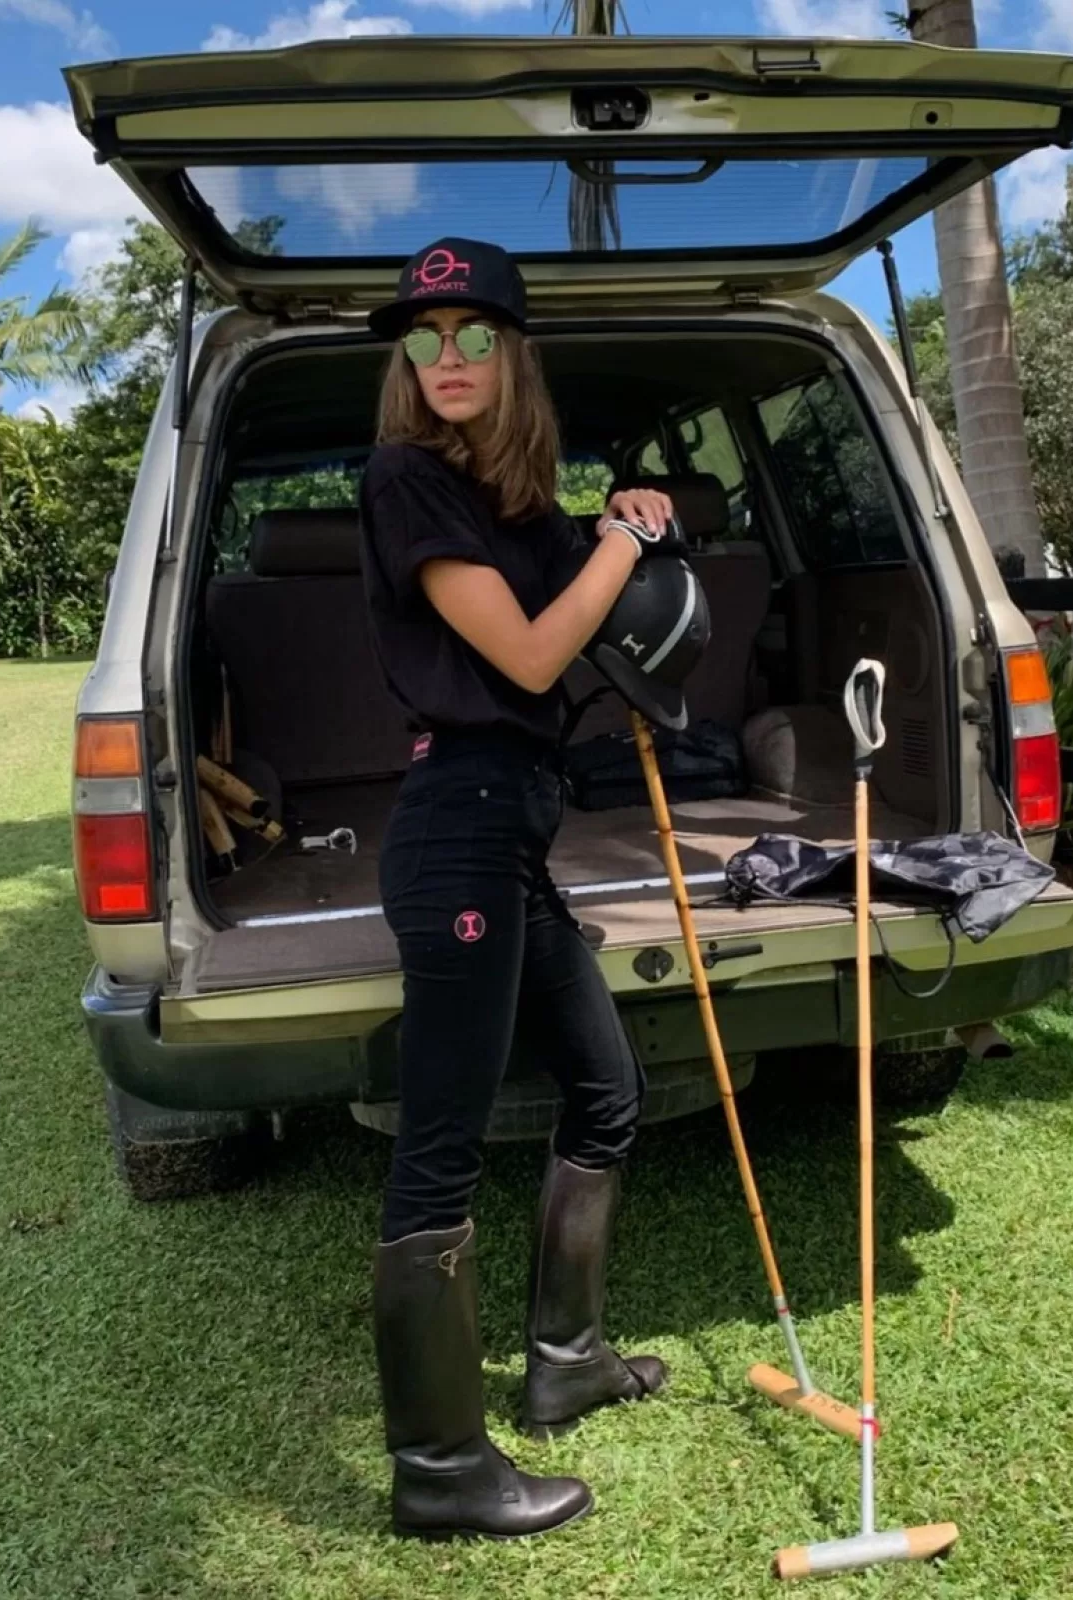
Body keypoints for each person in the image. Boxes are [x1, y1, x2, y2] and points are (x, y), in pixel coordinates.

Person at [359, 238, 683, 1542]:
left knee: (606, 1089)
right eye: (425, 337)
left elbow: (604, 586)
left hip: (513, 832)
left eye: (474, 335)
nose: (447, 359)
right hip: (458, 838)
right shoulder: (402, 481)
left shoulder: (514, 507)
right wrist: (617, 534)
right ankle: (439, 1470)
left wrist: (641, 507)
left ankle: (566, 1360)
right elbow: (543, 652)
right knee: (438, 1152)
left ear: (513, 355)